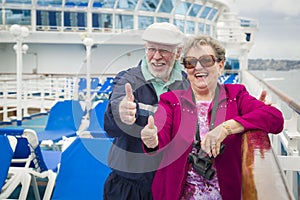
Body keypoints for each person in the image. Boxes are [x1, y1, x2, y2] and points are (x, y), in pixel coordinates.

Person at [141, 35, 284, 200]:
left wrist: (226, 128)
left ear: (220, 65)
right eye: (190, 62)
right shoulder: (171, 100)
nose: (198, 67)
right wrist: (151, 139)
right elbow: (159, 134)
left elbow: (275, 119)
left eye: (206, 60)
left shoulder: (236, 95)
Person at [103, 22, 190, 200]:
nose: (156, 57)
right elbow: (110, 125)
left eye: (164, 50)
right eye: (151, 49)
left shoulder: (188, 85)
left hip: (171, 187)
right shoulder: (127, 79)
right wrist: (122, 113)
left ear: (178, 53)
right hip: (128, 188)